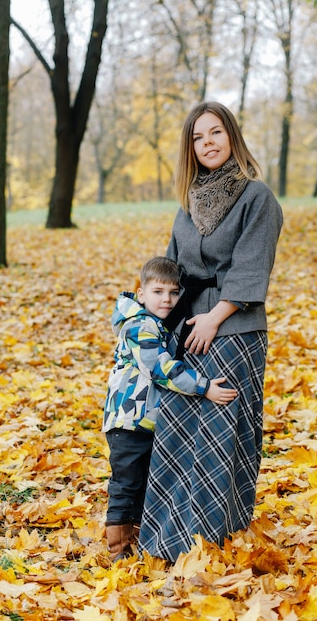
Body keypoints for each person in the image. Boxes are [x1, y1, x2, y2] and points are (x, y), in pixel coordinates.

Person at [138, 101, 283, 562]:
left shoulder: (256, 198)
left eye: (215, 133)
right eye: (198, 138)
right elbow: (170, 269)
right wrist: (149, 322)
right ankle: (167, 539)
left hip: (234, 328)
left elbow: (251, 268)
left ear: (232, 137)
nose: (208, 143)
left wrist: (214, 318)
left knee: (222, 433)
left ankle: (216, 539)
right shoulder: (188, 205)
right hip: (187, 329)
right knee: (178, 430)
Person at [102, 255, 238, 561]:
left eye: (174, 293)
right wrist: (204, 387)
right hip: (129, 419)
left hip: (147, 420)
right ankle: (118, 552)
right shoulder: (139, 326)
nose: (167, 299)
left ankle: (138, 542)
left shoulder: (156, 323)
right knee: (126, 484)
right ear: (141, 294)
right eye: (158, 292)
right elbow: (160, 370)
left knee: (143, 484)